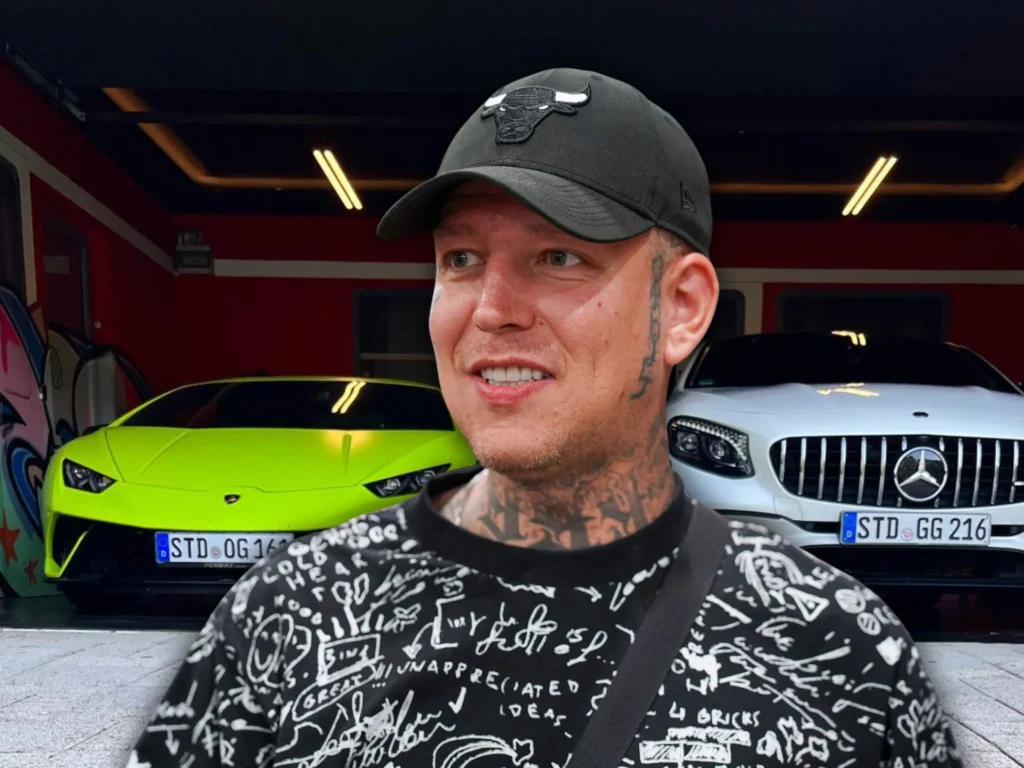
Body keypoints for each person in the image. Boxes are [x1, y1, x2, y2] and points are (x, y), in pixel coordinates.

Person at [126, 68, 962, 768]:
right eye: (460, 259)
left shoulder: (839, 648)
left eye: (559, 257)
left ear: (681, 307)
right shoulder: (287, 611)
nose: (490, 309)